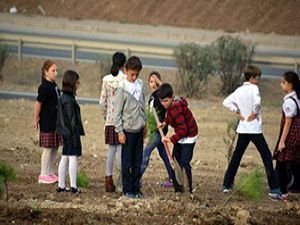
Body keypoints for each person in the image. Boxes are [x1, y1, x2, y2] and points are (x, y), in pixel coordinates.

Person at [222, 65, 282, 200]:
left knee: (236, 157)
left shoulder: (239, 90)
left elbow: (226, 102)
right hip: (254, 129)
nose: (259, 80)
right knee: (266, 156)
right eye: (258, 78)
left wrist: (237, 111)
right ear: (252, 78)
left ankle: (226, 184)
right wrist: (254, 113)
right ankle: (274, 188)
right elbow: (258, 102)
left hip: (243, 128)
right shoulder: (254, 88)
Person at [156, 83, 198, 194]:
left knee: (184, 162)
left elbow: (183, 130)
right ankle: (178, 190)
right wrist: (164, 123)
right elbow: (170, 117)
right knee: (175, 161)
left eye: (165, 101)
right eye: (161, 101)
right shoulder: (170, 106)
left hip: (189, 136)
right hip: (181, 136)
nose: (163, 104)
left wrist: (170, 139)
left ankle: (188, 190)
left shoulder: (176, 108)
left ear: (171, 98)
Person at [114, 56, 146, 198]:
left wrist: (144, 124)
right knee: (126, 163)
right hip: (127, 131)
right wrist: (120, 131)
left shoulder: (140, 84)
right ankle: (127, 190)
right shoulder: (122, 88)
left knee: (137, 162)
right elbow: (117, 113)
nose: (134, 77)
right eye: (132, 74)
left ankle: (136, 189)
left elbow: (143, 106)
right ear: (126, 70)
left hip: (139, 130)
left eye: (137, 74)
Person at [140, 71, 174, 188]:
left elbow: (170, 94)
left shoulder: (161, 94)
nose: (153, 84)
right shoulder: (153, 96)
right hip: (154, 131)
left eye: (155, 81)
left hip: (158, 132)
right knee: (164, 155)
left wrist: (160, 83)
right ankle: (173, 178)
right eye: (151, 81)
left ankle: (137, 178)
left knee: (146, 153)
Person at [99, 52, 126, 192]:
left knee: (111, 150)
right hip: (121, 122)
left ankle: (108, 181)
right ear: (124, 65)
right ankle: (121, 182)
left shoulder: (105, 80)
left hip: (109, 121)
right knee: (121, 151)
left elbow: (102, 102)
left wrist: (106, 117)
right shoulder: (125, 79)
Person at [56, 70, 85, 193]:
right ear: (72, 83)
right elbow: (72, 119)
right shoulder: (69, 100)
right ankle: (73, 186)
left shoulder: (63, 98)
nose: (78, 84)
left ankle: (61, 185)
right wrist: (75, 133)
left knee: (65, 156)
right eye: (77, 82)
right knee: (73, 157)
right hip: (71, 132)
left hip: (64, 131)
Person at [34, 60, 62, 184]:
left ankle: (50, 172)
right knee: (48, 148)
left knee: (55, 147)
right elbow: (38, 103)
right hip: (47, 122)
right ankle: (43, 174)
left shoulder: (54, 85)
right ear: (46, 72)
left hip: (56, 122)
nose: (56, 73)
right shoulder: (44, 87)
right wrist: (36, 119)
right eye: (53, 70)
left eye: (56, 70)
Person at [273, 71, 300, 201]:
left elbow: (288, 123)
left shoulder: (289, 102)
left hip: (291, 136)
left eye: (283, 82)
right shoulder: (297, 98)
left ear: (290, 85)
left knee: (281, 163)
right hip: (297, 136)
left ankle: (283, 193)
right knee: (295, 163)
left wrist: (282, 141)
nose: (281, 84)